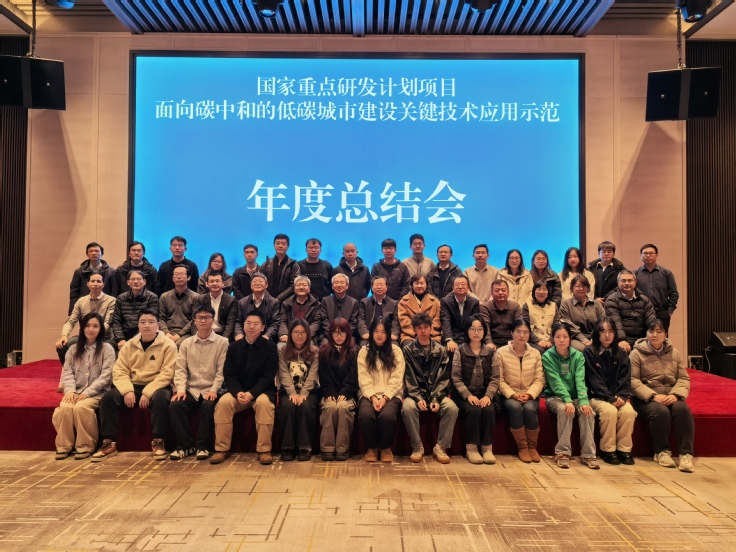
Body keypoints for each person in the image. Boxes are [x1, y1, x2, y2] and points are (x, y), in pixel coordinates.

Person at [92, 309, 176, 462]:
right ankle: (109, 442)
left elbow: (168, 374)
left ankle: (158, 441)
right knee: (108, 398)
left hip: (157, 385)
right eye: (143, 322)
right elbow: (119, 371)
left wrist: (148, 392)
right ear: (138, 324)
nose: (147, 325)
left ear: (158, 324)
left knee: (162, 398)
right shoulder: (129, 345)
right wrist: (127, 390)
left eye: (151, 322)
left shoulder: (168, 345)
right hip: (133, 385)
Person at [211, 311, 278, 466]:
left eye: (256, 324)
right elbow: (229, 374)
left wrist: (252, 393)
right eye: (248, 323)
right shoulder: (234, 347)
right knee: (223, 403)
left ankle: (264, 450)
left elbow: (269, 376)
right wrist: (238, 392)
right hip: (239, 392)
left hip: (261, 391)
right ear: (243, 325)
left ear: (263, 327)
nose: (251, 327)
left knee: (264, 404)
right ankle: (221, 449)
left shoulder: (270, 347)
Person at [630, 319, 694, 472]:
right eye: (651, 331)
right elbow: (632, 380)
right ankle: (662, 452)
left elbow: (683, 378)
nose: (655, 335)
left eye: (659, 331)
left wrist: (676, 395)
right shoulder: (636, 354)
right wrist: (653, 396)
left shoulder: (674, 353)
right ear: (646, 334)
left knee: (682, 409)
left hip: (670, 395)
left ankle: (686, 454)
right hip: (645, 398)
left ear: (665, 334)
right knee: (661, 412)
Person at [168, 305, 229, 460]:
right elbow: (180, 369)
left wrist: (214, 389)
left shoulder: (222, 342)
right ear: (194, 321)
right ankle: (185, 446)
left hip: (212, 388)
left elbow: (222, 371)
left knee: (208, 405)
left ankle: (203, 446)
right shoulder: (186, 343)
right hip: (192, 389)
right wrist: (181, 390)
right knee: (175, 405)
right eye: (199, 318)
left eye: (206, 318)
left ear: (213, 320)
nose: (203, 321)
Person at [53, 313, 114, 460]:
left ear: (100, 329)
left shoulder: (107, 349)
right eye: (87, 326)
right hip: (76, 391)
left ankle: (86, 446)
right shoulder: (73, 349)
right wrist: (70, 391)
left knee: (81, 407)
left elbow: (106, 376)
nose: (91, 329)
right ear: (82, 328)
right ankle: (64, 446)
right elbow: (67, 372)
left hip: (98, 393)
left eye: (95, 326)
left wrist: (87, 392)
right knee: (65, 408)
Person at [402, 313, 458, 464]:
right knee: (407, 408)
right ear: (414, 330)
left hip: (436, 393)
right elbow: (408, 377)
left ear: (431, 328)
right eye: (419, 328)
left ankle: (441, 447)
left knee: (451, 408)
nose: (423, 331)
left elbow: (443, 378)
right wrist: (418, 397)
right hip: (415, 394)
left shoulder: (441, 350)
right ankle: (417, 447)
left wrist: (435, 398)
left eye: (426, 327)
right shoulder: (407, 350)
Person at [542, 323, 598, 469]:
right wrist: (567, 400)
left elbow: (580, 379)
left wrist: (584, 401)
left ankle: (588, 454)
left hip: (575, 397)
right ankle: (563, 453)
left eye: (565, 337)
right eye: (558, 337)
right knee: (565, 410)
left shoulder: (578, 356)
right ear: (553, 338)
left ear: (570, 338)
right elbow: (555, 382)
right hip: (555, 397)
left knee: (588, 411)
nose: (561, 340)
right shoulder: (547, 356)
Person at [583, 317, 637, 466]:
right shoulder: (589, 351)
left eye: (611, 331)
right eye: (603, 331)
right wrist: (609, 398)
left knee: (629, 412)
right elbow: (593, 379)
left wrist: (622, 396)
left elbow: (625, 377)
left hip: (618, 396)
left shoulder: (621, 353)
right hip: (597, 397)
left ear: (615, 334)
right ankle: (608, 450)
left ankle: (624, 450)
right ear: (597, 333)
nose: (607, 335)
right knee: (610, 412)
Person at [494, 320, 545, 463]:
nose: (521, 335)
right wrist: (513, 394)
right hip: (509, 395)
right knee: (515, 407)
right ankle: (522, 447)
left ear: (529, 335)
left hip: (530, 394)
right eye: (518, 331)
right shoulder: (501, 352)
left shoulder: (535, 353)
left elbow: (540, 379)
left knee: (529, 408)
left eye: (525, 332)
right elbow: (499, 379)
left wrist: (529, 394)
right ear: (511, 333)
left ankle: (532, 447)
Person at [451, 316, 499, 465]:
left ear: (484, 331)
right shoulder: (460, 351)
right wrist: (468, 395)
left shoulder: (490, 352)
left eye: (480, 329)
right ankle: (471, 449)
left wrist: (488, 396)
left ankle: (487, 448)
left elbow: (495, 378)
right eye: (472, 329)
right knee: (474, 410)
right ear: (467, 330)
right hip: (464, 395)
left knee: (489, 410)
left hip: (485, 394)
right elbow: (456, 378)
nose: (476, 332)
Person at [357, 318, 405, 463]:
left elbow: (397, 377)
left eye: (383, 332)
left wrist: (385, 397)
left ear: (388, 333)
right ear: (371, 332)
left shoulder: (396, 351)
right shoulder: (364, 351)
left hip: (391, 394)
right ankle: (372, 448)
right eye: (376, 331)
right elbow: (363, 377)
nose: (379, 335)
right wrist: (372, 397)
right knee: (365, 415)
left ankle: (385, 448)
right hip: (368, 393)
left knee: (387, 416)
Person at [276, 319, 320, 461]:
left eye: (303, 332)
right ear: (290, 334)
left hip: (309, 391)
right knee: (288, 406)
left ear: (308, 334)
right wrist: (292, 393)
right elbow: (283, 373)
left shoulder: (315, 351)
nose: (299, 335)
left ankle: (304, 447)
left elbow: (313, 375)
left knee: (306, 406)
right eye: (296, 332)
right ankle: (287, 447)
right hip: (288, 391)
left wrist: (303, 393)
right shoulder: (283, 351)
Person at [319, 318, 360, 461]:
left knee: (342, 407)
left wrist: (345, 392)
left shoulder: (355, 351)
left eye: (342, 332)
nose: (339, 336)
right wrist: (329, 392)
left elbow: (354, 376)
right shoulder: (324, 351)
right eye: (335, 333)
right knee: (330, 407)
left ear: (348, 333)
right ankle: (328, 448)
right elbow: (324, 376)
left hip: (348, 393)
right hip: (329, 393)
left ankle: (342, 448)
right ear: (330, 334)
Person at [56, 273, 115, 365]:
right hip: (86, 336)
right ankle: (70, 370)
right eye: (92, 281)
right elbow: (71, 321)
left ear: (103, 284)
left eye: (99, 281)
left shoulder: (111, 301)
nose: (95, 284)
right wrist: (64, 336)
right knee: (62, 345)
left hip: (105, 337)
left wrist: (93, 336)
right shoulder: (81, 301)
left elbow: (108, 323)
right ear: (88, 284)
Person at [604, 270, 657, 353]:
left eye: (630, 280)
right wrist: (621, 340)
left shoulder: (644, 300)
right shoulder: (612, 300)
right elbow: (616, 322)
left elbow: (651, 321)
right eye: (623, 280)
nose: (627, 283)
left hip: (642, 339)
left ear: (635, 282)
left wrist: (651, 338)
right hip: (621, 340)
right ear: (618, 283)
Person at [480, 280, 539, 351]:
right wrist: (489, 342)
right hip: (493, 340)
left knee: (539, 349)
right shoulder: (486, 307)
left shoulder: (515, 306)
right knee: (489, 351)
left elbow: (521, 326)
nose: (500, 293)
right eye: (497, 290)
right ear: (491, 293)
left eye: (503, 290)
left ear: (508, 292)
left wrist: (537, 341)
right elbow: (485, 326)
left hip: (513, 340)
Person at [633, 244, 679, 332]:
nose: (648, 255)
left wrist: (669, 312)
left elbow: (673, 293)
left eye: (651, 253)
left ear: (656, 255)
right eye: (645, 253)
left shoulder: (666, 273)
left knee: (661, 337)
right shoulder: (635, 273)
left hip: (661, 312)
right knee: (643, 337)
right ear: (641, 256)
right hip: (642, 313)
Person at [111, 270, 159, 350]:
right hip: (124, 335)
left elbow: (150, 321)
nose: (136, 282)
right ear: (128, 282)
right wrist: (120, 339)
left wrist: (133, 341)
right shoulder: (121, 298)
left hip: (143, 334)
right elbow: (116, 321)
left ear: (144, 282)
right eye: (132, 279)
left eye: (139, 279)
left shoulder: (152, 297)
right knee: (107, 346)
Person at [558, 275, 605, 352]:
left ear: (588, 288)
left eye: (584, 286)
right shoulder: (566, 304)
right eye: (578, 286)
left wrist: (593, 339)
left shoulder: (596, 304)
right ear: (572, 288)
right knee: (584, 349)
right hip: (575, 338)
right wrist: (583, 339)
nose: (581, 288)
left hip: (596, 337)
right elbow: (567, 325)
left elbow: (603, 322)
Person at [68, 242, 117, 314]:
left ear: (102, 254)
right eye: (91, 251)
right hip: (85, 306)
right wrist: (73, 311)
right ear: (87, 254)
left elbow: (114, 292)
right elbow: (74, 292)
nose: (94, 253)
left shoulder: (111, 271)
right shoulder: (79, 271)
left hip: (104, 307)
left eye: (97, 251)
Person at [190, 271, 238, 341]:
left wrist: (224, 340)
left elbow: (230, 324)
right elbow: (195, 320)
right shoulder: (201, 299)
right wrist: (196, 338)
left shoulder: (231, 300)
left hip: (222, 334)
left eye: (217, 281)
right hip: (204, 333)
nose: (214, 284)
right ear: (207, 284)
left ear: (223, 283)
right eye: (211, 281)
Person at [158, 265, 198, 347]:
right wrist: (166, 332)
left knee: (179, 344)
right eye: (176, 274)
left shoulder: (195, 297)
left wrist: (179, 334)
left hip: (186, 333)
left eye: (182, 274)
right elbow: (161, 317)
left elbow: (194, 320)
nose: (179, 277)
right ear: (172, 278)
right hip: (167, 332)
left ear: (188, 277)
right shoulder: (164, 296)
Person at [396, 274, 441, 347]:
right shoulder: (403, 301)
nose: (419, 286)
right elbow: (404, 321)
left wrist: (427, 332)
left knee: (435, 348)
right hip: (410, 336)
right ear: (412, 285)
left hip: (432, 335)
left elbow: (437, 320)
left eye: (422, 283)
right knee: (409, 347)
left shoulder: (435, 302)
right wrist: (417, 332)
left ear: (426, 285)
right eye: (416, 283)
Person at [234, 272, 280, 341]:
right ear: (251, 285)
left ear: (266, 285)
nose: (257, 283)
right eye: (254, 281)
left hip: (266, 339)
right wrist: (239, 334)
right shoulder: (242, 302)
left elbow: (275, 323)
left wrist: (267, 336)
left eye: (260, 281)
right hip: (246, 338)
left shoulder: (273, 303)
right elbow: (238, 321)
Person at [440, 275, 480, 354]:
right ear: (453, 288)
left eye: (463, 284)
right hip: (453, 337)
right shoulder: (445, 302)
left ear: (468, 288)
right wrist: (449, 340)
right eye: (457, 284)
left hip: (469, 337)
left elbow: (475, 322)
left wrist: (473, 340)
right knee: (449, 350)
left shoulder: (474, 302)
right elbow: (445, 321)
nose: (460, 287)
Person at [278, 275, 321, 344]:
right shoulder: (286, 303)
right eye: (298, 285)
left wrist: (305, 334)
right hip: (289, 336)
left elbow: (316, 323)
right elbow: (283, 321)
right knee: (281, 347)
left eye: (304, 285)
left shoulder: (316, 304)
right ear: (294, 289)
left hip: (308, 336)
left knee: (311, 347)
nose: (301, 287)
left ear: (309, 289)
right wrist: (284, 334)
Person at [318, 273, 359, 345]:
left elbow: (353, 323)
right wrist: (333, 334)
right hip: (328, 335)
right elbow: (324, 320)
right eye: (336, 283)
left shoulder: (354, 302)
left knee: (351, 344)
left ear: (347, 286)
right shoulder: (325, 300)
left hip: (347, 335)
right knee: (325, 344)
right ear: (332, 286)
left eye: (342, 282)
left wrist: (343, 335)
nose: (339, 285)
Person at [358, 276, 399, 346]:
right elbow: (361, 319)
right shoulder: (364, 302)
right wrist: (364, 332)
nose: (379, 287)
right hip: (369, 335)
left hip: (388, 335)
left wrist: (394, 333)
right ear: (372, 287)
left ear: (386, 287)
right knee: (363, 346)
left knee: (394, 346)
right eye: (377, 285)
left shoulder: (394, 303)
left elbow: (396, 321)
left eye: (381, 285)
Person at [259, 233, 300, 301]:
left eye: (283, 244)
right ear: (274, 246)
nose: (280, 246)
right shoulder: (266, 264)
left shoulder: (293, 265)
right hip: (267, 301)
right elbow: (260, 282)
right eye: (277, 243)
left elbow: (294, 284)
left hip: (287, 302)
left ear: (288, 247)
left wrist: (279, 299)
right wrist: (270, 299)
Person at [522, 280, 559, 350]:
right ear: (534, 291)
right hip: (532, 341)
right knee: (540, 350)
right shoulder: (527, 306)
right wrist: (538, 341)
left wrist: (551, 341)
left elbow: (556, 326)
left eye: (544, 290)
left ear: (548, 292)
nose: (541, 292)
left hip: (550, 341)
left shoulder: (554, 306)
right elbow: (526, 327)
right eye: (539, 289)